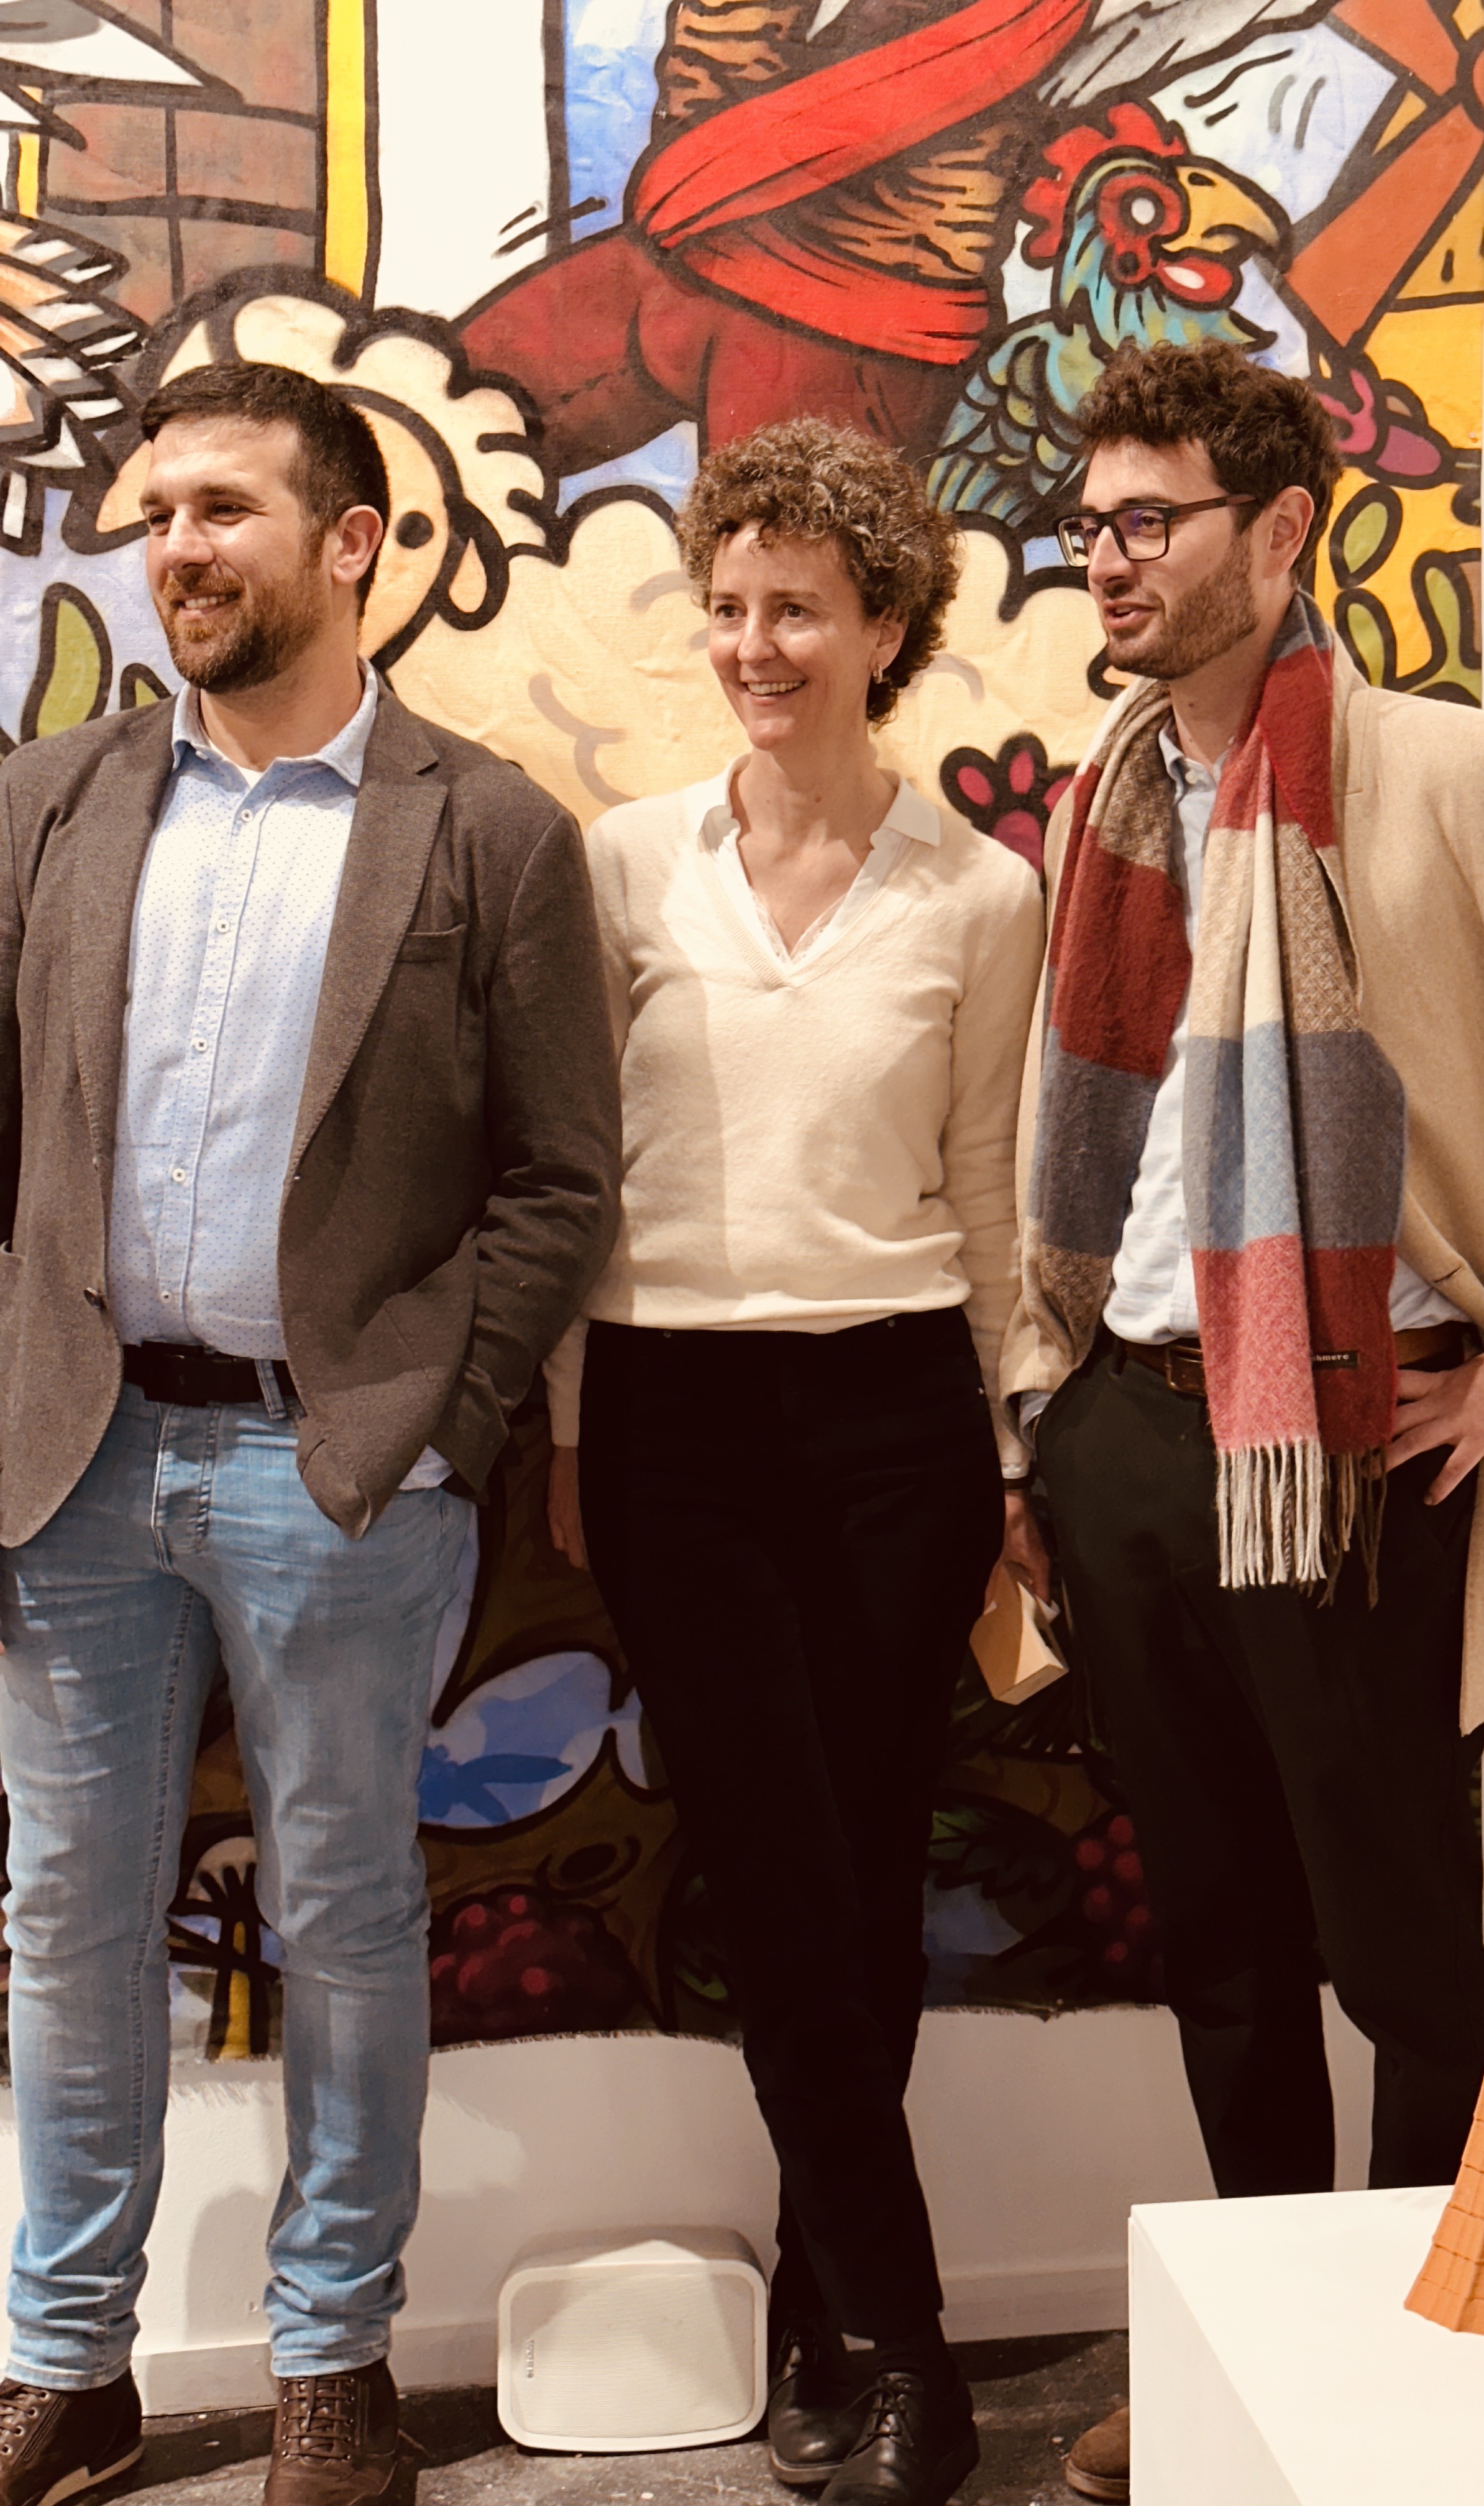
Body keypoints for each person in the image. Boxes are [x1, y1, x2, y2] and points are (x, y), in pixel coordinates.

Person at [997, 340, 1484, 2505]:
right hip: (1136, 1438)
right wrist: (1043, 1417)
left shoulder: (1469, 780)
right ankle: (1246, 2351)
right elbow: (1081, 1150)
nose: (1107, 559)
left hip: (1354, 1451)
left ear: (1281, 533)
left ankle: (1415, 2355)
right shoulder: (1107, 803)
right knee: (1221, 1951)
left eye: (1150, 520)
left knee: (1406, 1956)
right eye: (1089, 522)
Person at [0, 362, 620, 2506]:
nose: (175, 547)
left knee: (346, 1913)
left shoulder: (489, 829)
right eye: (158, 509)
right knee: (65, 1917)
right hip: (72, 1464)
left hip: (337, 1467)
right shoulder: (53, 803)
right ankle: (65, 2363)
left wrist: (445, 1418)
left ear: (351, 542)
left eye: (224, 509)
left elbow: (560, 1176)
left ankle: (332, 2365)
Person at [544, 418, 1044, 2506]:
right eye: (728, 606)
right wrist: (575, 1425)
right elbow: (577, 1174)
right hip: (674, 1419)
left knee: (856, 1869)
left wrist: (1010, 1450)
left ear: (886, 625)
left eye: (798, 609)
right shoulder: (621, 866)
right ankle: (914, 2347)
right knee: (768, 1867)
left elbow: (991, 1190)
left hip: (897, 1420)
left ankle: (831, 2298)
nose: (754, 644)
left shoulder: (984, 893)